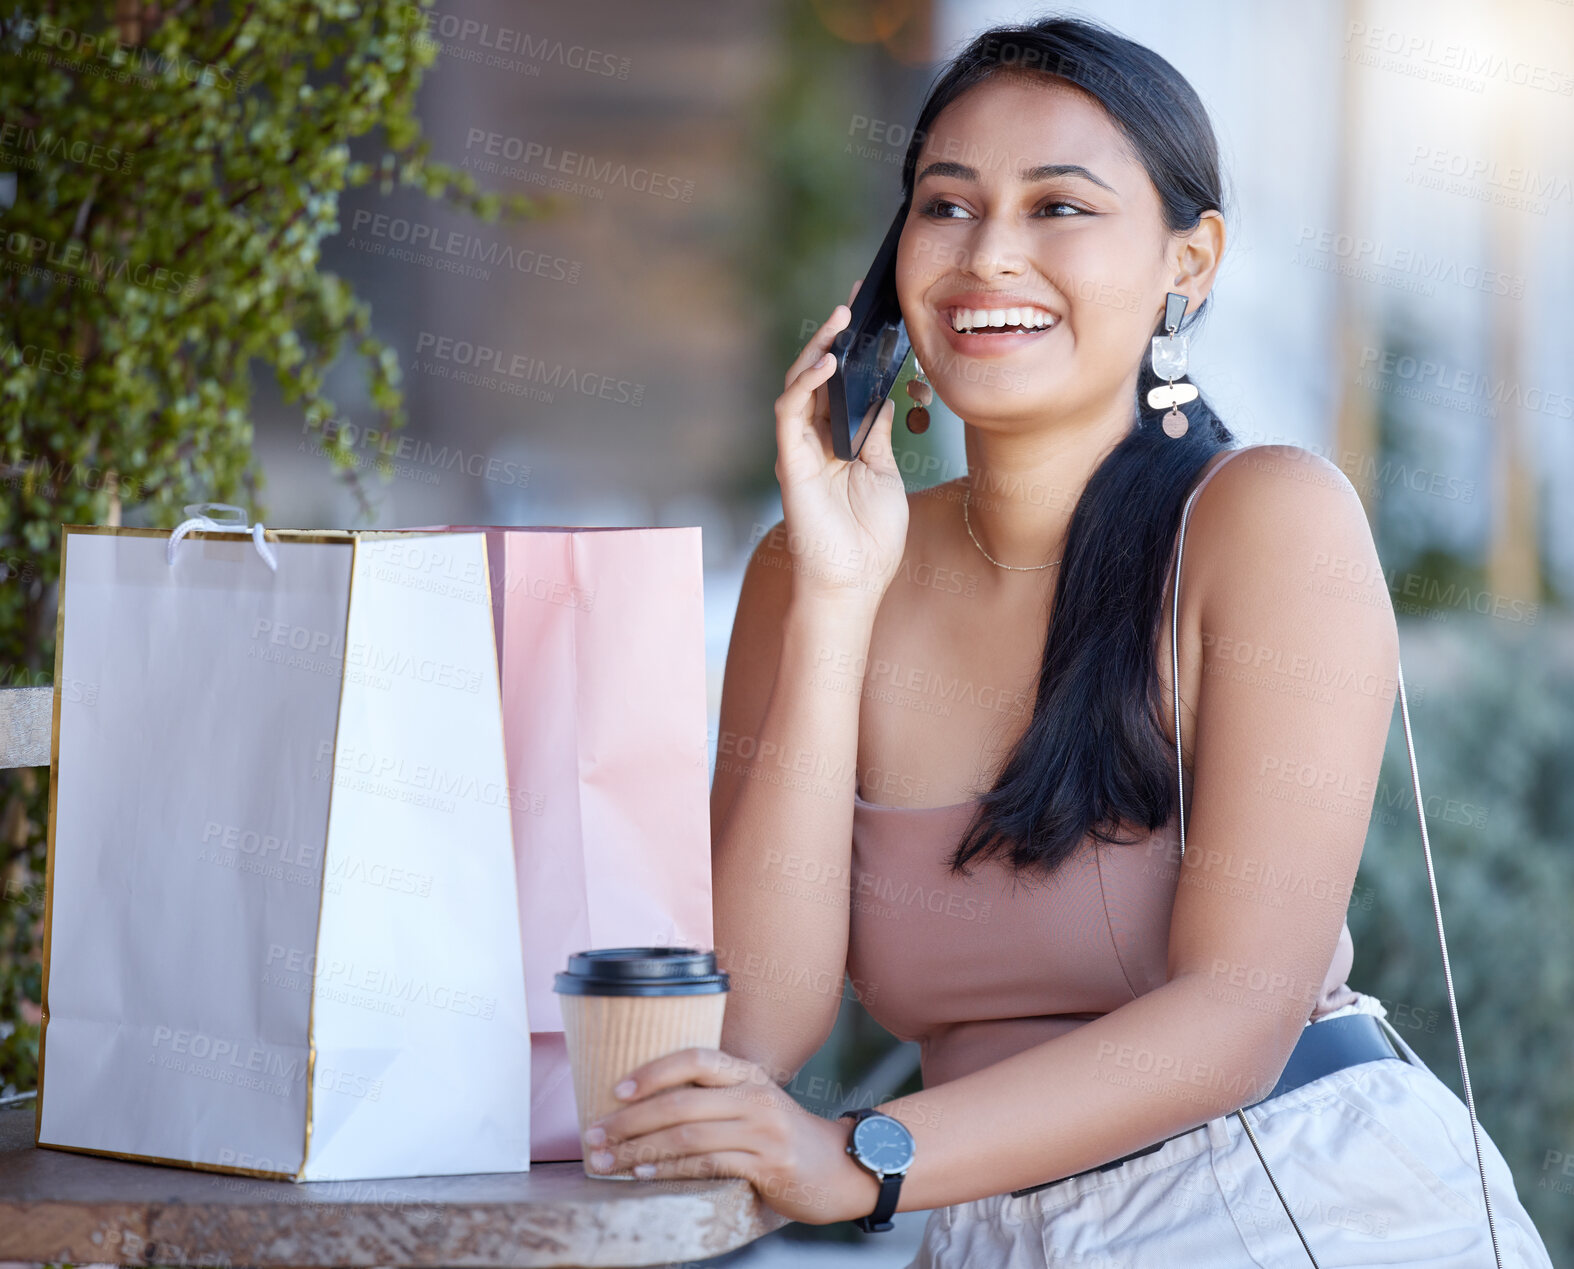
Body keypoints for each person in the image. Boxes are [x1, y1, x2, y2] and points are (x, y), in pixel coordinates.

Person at [576, 15, 1556, 1267]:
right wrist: (834, 601)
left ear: (1185, 261)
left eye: (1058, 208)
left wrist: (859, 1157)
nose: (988, 255)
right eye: (946, 206)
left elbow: (1235, 1018)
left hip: (1287, 1200)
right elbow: (755, 1036)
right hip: (974, 1228)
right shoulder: (814, 565)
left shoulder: (1265, 520)